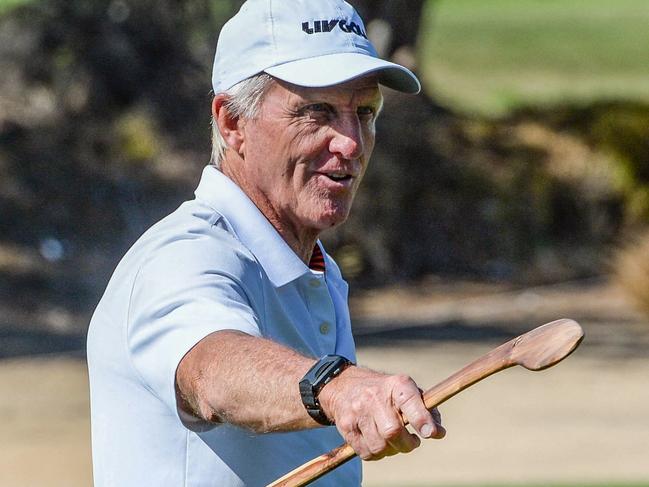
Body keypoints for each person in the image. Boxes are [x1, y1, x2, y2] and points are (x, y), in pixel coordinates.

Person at [87, 0, 445, 485]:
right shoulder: (186, 254)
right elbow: (213, 371)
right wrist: (336, 389)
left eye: (365, 112)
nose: (352, 143)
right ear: (232, 121)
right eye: (316, 111)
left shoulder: (313, 267)